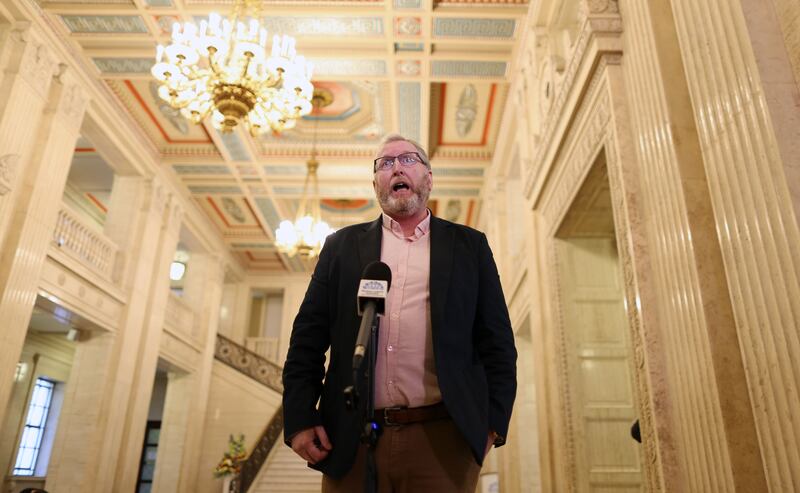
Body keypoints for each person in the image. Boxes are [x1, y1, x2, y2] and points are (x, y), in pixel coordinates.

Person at [282, 134, 517, 492]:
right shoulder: (340, 247)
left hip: (443, 441)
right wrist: (299, 418)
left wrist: (493, 423)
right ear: (375, 181)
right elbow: (306, 341)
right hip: (351, 442)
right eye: (385, 163)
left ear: (428, 177)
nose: (396, 168)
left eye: (408, 159)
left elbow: (497, 342)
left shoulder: (470, 246)